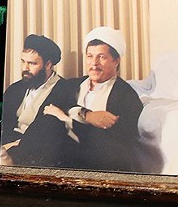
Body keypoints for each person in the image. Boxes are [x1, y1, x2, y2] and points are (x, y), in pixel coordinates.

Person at [44, 26, 144, 172]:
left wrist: (65, 118)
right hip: (62, 151)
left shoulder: (126, 96)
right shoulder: (72, 85)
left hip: (93, 163)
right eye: (90, 56)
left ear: (116, 60)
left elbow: (113, 145)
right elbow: (48, 108)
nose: (94, 63)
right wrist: (87, 115)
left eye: (101, 57)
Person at [0, 34, 71, 166]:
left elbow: (49, 133)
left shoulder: (64, 91)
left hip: (35, 155)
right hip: (6, 147)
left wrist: (12, 147)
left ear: (48, 65)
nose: (25, 68)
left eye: (32, 63)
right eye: (23, 62)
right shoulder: (16, 88)